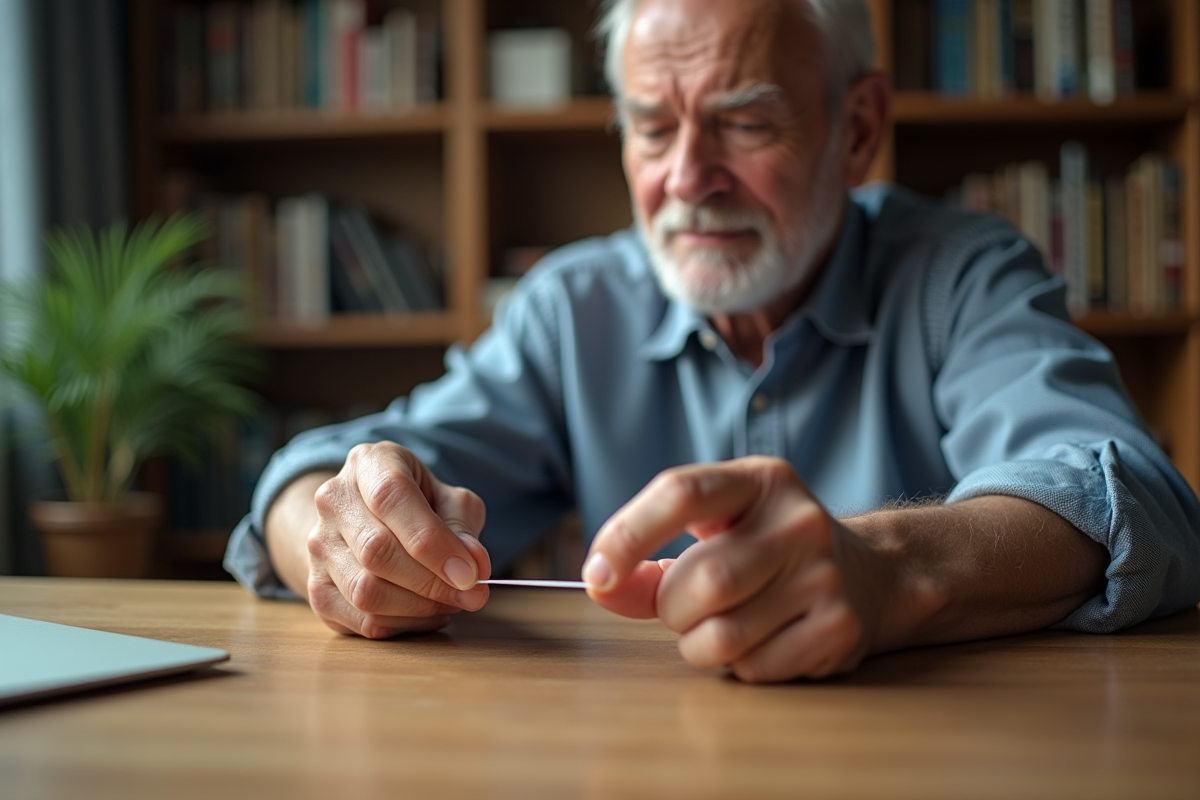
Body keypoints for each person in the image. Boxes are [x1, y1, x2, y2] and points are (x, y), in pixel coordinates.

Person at [225, 0, 1200, 683]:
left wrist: (888, 567)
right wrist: (347, 535)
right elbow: (317, 480)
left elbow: (1130, 497)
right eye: (652, 129)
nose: (689, 179)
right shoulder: (572, 307)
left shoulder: (962, 273)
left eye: (744, 123)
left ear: (858, 129)